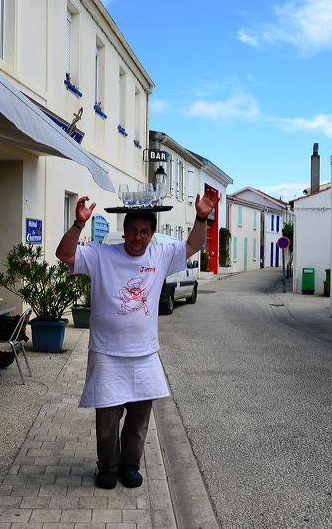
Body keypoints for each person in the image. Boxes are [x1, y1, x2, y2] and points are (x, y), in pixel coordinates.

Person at [55, 193, 215, 489]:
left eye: (144, 232)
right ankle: (107, 466)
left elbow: (193, 245)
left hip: (144, 355)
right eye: (132, 231)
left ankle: (129, 466)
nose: (137, 238)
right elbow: (65, 255)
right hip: (106, 353)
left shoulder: (161, 255)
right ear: (124, 230)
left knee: (139, 419)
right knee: (107, 419)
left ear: (151, 235)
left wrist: (201, 217)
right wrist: (78, 224)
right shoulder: (102, 254)